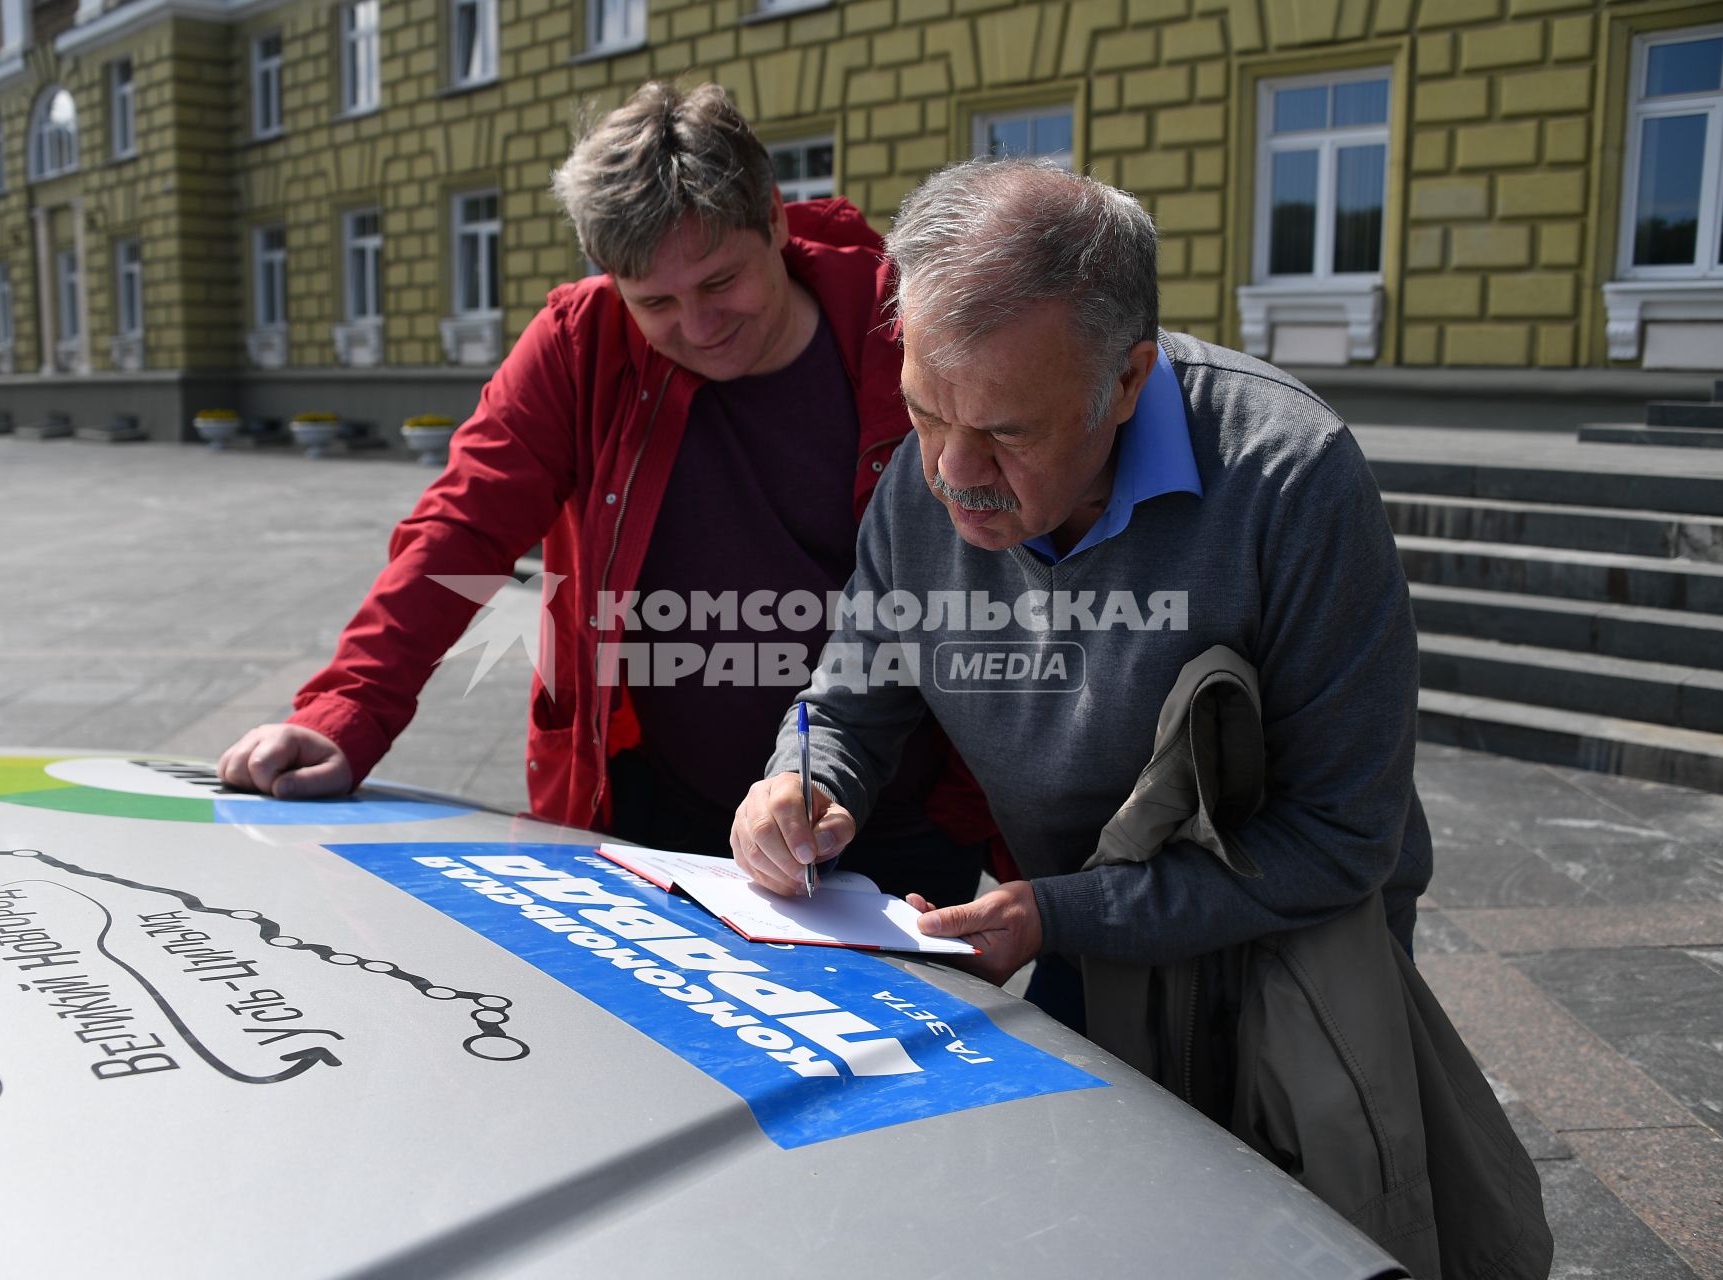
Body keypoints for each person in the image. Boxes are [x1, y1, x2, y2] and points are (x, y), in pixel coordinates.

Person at [215, 82, 981, 905]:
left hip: (892, 822)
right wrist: (345, 710)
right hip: (648, 814)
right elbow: (460, 530)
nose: (697, 325)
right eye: (655, 300)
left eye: (720, 282)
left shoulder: (902, 325)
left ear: (773, 219)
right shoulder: (581, 342)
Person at [730, 156, 1432, 1001]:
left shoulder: (1291, 478)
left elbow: (1340, 836)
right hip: (1069, 933)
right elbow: (848, 702)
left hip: (1288, 984)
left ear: (1128, 380)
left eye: (1007, 433)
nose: (952, 471)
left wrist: (1065, 914)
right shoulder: (920, 484)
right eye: (924, 412)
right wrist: (800, 781)